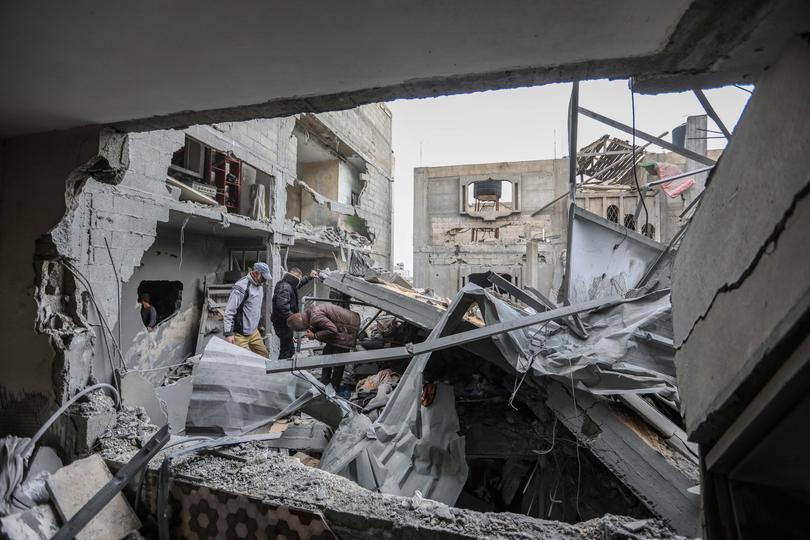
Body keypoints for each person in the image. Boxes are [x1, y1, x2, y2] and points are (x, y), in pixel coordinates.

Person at [286, 303, 360, 388]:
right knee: (326, 354)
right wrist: (313, 332)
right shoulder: (311, 313)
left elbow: (332, 330)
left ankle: (334, 386)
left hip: (348, 328)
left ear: (304, 322)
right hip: (343, 325)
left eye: (303, 328)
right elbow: (324, 326)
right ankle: (325, 381)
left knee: (338, 360)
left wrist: (314, 336)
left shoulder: (315, 317)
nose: (305, 329)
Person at [223, 262, 271, 357]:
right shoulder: (241, 287)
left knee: (264, 356)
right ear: (256, 273)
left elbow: (255, 308)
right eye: (263, 278)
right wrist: (229, 334)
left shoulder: (259, 286)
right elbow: (229, 311)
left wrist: (259, 325)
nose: (264, 281)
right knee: (240, 361)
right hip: (240, 335)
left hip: (254, 332)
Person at [270, 267, 318, 359]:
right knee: (286, 351)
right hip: (283, 324)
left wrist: (309, 277)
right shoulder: (285, 287)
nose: (299, 281)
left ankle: (284, 369)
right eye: (299, 279)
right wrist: (296, 319)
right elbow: (282, 308)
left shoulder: (288, 284)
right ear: (295, 277)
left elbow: (298, 284)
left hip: (285, 323)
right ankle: (280, 371)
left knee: (290, 350)